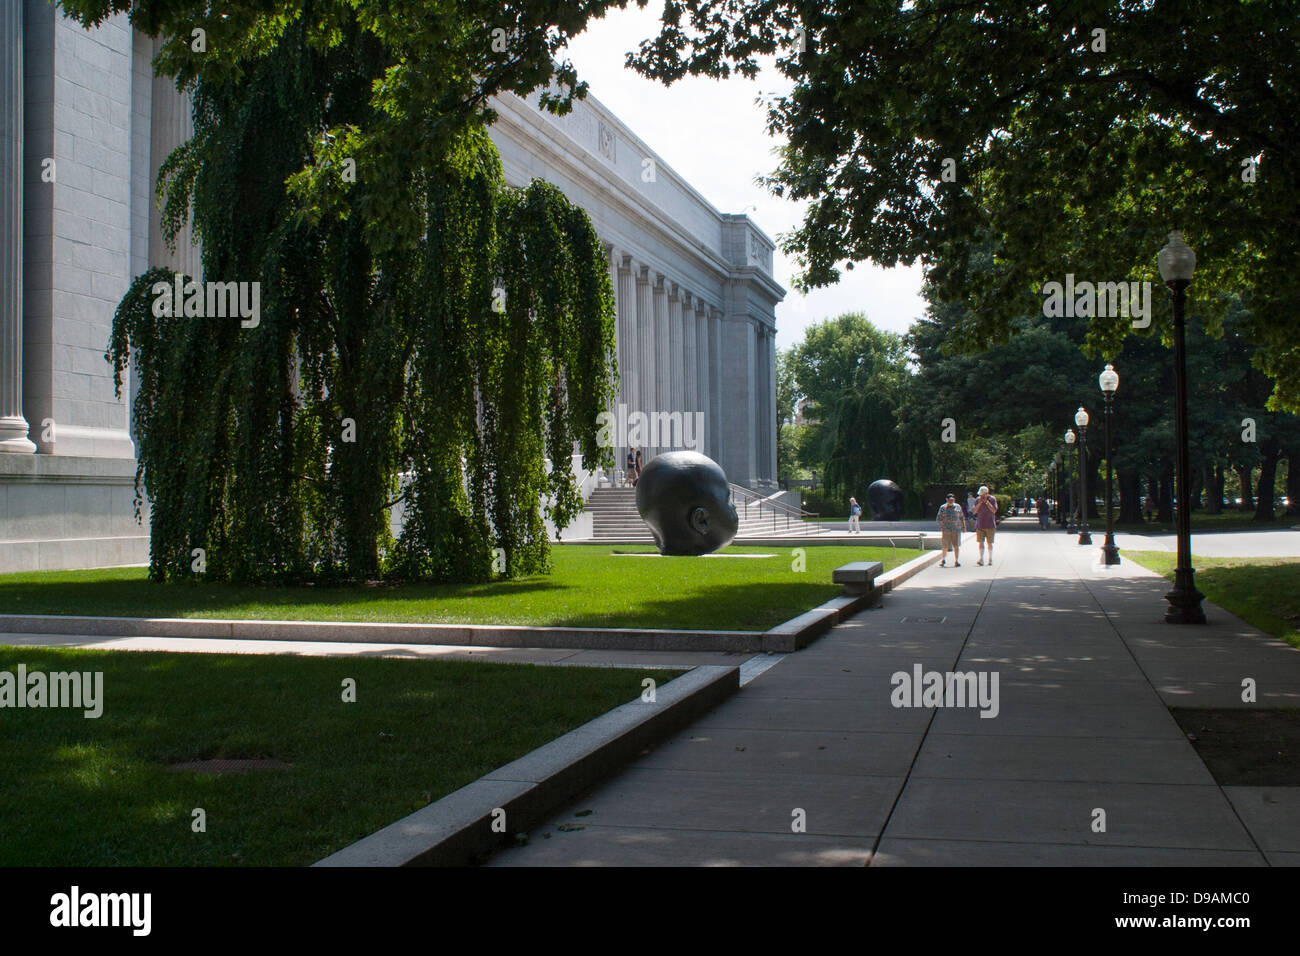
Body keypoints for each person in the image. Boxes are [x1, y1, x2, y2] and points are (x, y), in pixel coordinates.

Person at [973, 485, 998, 565]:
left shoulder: (992, 499)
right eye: (980, 495)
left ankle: (990, 559)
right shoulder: (977, 500)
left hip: (990, 524)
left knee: (989, 543)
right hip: (980, 524)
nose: (981, 496)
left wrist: (987, 503)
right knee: (980, 542)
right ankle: (981, 559)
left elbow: (994, 511)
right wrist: (980, 503)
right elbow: (974, 511)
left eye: (982, 495)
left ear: (986, 494)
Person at [936, 493, 964, 567]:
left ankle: (956, 561)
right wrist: (942, 527)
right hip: (946, 530)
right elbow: (938, 518)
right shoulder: (943, 507)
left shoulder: (958, 507)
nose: (951, 501)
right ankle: (943, 559)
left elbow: (961, 517)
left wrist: (963, 526)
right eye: (949, 500)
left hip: (956, 529)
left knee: (956, 545)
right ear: (947, 500)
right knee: (945, 546)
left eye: (952, 499)